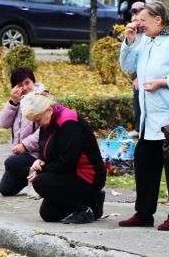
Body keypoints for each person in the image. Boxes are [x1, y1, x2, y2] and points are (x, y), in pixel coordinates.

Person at [119, 1, 169, 231]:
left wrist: (163, 83)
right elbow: (127, 65)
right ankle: (144, 213)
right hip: (150, 121)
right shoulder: (146, 40)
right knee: (145, 164)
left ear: (158, 19)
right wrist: (130, 41)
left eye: (143, 20)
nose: (139, 23)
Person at [22, 92, 106, 224]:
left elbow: (67, 162)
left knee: (40, 182)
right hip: (70, 173)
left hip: (88, 177)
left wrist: (42, 171)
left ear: (49, 110)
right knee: (48, 214)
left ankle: (83, 210)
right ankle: (93, 201)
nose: (38, 125)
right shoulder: (47, 122)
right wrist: (40, 161)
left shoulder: (69, 123)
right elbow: (44, 148)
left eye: (38, 120)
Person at [0, 67, 46, 196]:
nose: (24, 88)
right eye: (20, 85)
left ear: (33, 82)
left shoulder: (42, 98)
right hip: (21, 156)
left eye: (27, 83)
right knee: (6, 189)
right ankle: (34, 178)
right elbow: (3, 123)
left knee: (11, 163)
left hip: (38, 154)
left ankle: (44, 179)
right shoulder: (18, 101)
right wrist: (12, 102)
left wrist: (25, 145)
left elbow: (44, 130)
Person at [129, 1, 145, 133]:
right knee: (137, 100)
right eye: (133, 15)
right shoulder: (132, 33)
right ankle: (138, 128)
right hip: (137, 75)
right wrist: (135, 76)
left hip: (149, 75)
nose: (135, 18)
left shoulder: (148, 32)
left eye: (138, 15)